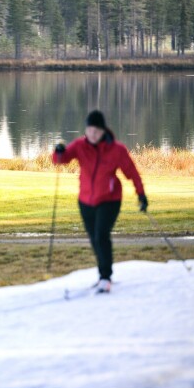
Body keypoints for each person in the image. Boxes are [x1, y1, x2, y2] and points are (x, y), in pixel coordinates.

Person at [53, 110, 148, 293]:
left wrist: (141, 194)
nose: (92, 134)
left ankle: (105, 277)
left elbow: (132, 173)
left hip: (109, 200)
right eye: (89, 130)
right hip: (86, 201)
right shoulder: (80, 145)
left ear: (103, 131)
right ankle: (103, 275)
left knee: (101, 235)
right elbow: (61, 159)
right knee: (94, 239)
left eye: (96, 131)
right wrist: (58, 151)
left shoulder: (117, 150)